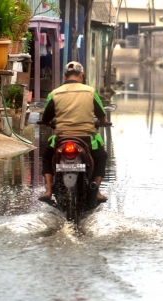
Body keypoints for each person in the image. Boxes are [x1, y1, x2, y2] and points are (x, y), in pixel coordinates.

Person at [38, 61, 109, 202]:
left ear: (65, 77)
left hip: (61, 139)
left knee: (46, 157)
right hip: (86, 139)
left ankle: (48, 190)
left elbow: (46, 117)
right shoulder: (90, 92)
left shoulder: (54, 94)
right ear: (81, 76)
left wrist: (49, 122)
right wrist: (102, 122)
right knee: (101, 157)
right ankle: (98, 192)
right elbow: (102, 115)